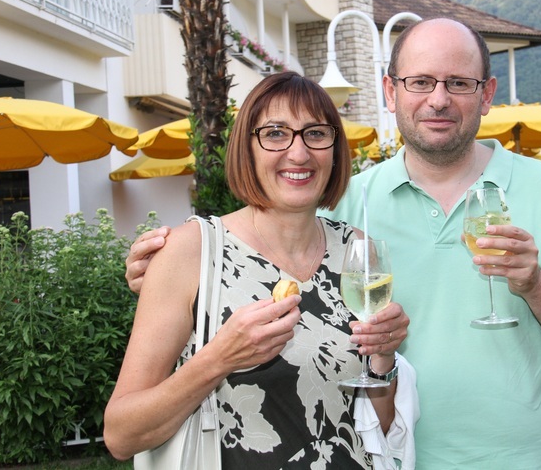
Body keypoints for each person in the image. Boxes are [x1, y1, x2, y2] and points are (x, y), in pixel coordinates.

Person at [125, 18, 541, 467]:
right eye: (420, 82)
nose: (438, 99)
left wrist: (536, 285)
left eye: (458, 82)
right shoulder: (345, 206)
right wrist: (171, 273)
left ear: (487, 93)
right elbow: (266, 251)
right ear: (391, 91)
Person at [104, 72, 415, 469]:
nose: (299, 153)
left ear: (335, 149)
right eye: (275, 134)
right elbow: (121, 436)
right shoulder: (190, 251)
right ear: (246, 149)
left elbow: (376, 428)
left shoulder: (356, 251)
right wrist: (218, 359)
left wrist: (383, 357)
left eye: (316, 134)